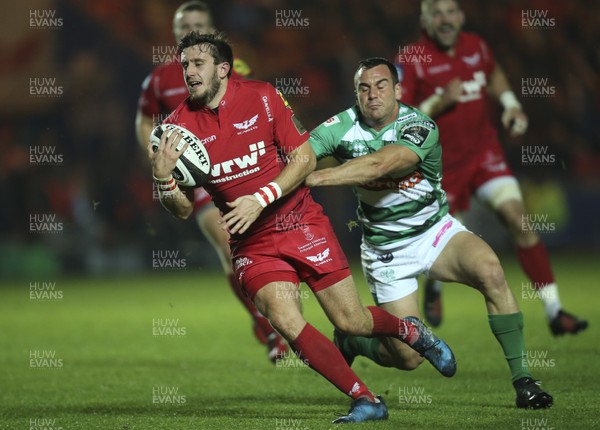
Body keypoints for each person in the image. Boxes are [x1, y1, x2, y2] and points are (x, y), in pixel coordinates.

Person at [150, 31, 457, 424]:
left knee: (351, 322)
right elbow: (180, 209)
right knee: (285, 318)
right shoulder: (177, 128)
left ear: (223, 69)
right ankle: (365, 399)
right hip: (251, 241)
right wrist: (164, 181)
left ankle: (411, 332)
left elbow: (304, 158)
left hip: (299, 221)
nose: (189, 71)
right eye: (185, 64)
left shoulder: (262, 96)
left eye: (198, 63)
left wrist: (260, 198)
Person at [306, 57, 553, 409]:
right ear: (356, 94)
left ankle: (524, 380)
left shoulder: (418, 124)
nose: (373, 94)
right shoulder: (340, 126)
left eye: (381, 86)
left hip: (435, 232)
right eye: (364, 88)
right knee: (407, 359)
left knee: (491, 271)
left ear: (398, 90)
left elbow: (385, 162)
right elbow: (300, 156)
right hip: (385, 249)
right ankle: (353, 342)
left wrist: (320, 176)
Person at [394, 0, 588, 336]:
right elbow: (400, 119)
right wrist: (435, 103)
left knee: (520, 221)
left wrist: (510, 105)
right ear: (425, 20)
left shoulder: (476, 46)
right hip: (441, 167)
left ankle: (555, 311)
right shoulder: (411, 59)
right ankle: (435, 287)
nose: (445, 19)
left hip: (485, 155)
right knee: (440, 243)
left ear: (461, 16)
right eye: (436, 13)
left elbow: (492, 72)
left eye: (451, 12)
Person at [134, 1, 287, 362]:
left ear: (212, 30)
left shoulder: (232, 69)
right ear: (173, 34)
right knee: (226, 238)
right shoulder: (159, 79)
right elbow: (144, 120)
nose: (189, 29)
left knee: (236, 252)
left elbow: (256, 105)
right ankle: (270, 327)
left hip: (236, 168)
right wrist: (157, 159)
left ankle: (268, 314)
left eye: (197, 23)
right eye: (183, 24)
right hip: (197, 179)